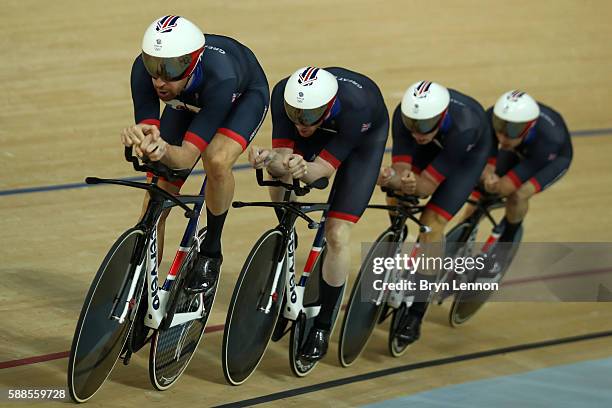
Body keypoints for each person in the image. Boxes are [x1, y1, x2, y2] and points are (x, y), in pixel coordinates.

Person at [120, 15, 269, 293]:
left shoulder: (221, 77)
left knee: (216, 161)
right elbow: (150, 133)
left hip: (240, 97)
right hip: (185, 101)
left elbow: (186, 158)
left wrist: (163, 149)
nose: (160, 81)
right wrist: (142, 140)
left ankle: (211, 250)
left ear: (193, 63)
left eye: (171, 69)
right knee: (156, 197)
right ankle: (140, 293)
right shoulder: (143, 72)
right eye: (154, 66)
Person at [249, 66, 389, 362]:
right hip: (326, 126)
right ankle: (286, 233)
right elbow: (283, 159)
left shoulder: (357, 107)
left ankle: (323, 326)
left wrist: (305, 168)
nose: (300, 124)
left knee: (336, 234)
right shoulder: (285, 97)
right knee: (281, 174)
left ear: (327, 107)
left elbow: (321, 172)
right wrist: (270, 158)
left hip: (362, 140)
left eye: (308, 115)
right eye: (295, 114)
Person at [377, 81, 491, 348]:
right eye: (412, 124)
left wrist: (407, 182)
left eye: (424, 124)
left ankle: (416, 312)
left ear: (441, 116)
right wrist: (392, 178)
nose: (417, 131)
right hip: (434, 146)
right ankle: (398, 242)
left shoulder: (465, 126)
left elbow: (426, 187)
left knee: (431, 225)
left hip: (466, 157)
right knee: (397, 197)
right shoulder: (405, 118)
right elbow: (403, 168)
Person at [477, 90, 572, 246]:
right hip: (518, 148)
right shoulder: (491, 117)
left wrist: (495, 185)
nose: (502, 137)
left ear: (529, 127)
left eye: (512, 131)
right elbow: (488, 155)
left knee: (517, 195)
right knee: (479, 191)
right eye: (500, 128)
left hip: (551, 159)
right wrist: (488, 175)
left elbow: (506, 186)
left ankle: (508, 240)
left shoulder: (550, 138)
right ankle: (464, 232)